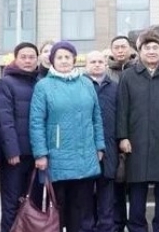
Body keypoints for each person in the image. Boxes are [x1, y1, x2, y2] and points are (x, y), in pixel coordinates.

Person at [31, 41, 105, 232]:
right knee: (60, 208)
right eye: (59, 57)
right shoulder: (44, 86)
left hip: (85, 156)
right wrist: (40, 154)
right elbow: (37, 121)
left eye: (67, 57)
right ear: (52, 60)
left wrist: (99, 146)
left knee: (83, 209)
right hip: (58, 157)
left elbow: (96, 117)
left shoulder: (86, 83)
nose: (64, 61)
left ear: (74, 59)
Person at [117, 30, 159, 232]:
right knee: (137, 187)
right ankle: (137, 227)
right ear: (139, 51)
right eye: (147, 47)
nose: (152, 51)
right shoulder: (128, 76)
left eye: (156, 47)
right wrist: (123, 137)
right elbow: (122, 108)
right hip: (136, 141)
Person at [0, 42, 41, 232]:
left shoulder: (40, 82)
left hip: (37, 155)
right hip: (15, 157)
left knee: (33, 204)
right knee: (12, 203)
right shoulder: (6, 82)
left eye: (32, 57)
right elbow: (4, 119)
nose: (28, 60)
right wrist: (11, 151)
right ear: (16, 58)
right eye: (24, 56)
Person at [85, 50, 119, 232]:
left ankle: (106, 228)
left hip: (109, 148)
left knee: (107, 196)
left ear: (105, 64)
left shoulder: (115, 87)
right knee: (86, 196)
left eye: (100, 61)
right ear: (86, 65)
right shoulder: (80, 86)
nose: (97, 64)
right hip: (85, 150)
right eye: (93, 61)